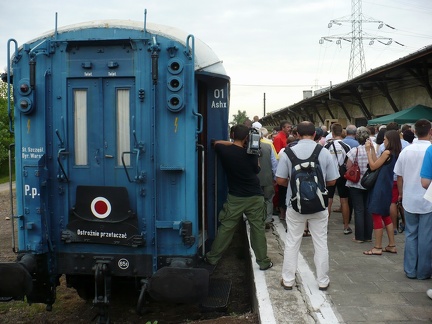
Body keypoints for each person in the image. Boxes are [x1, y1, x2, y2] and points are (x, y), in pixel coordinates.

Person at [276, 121, 338, 291]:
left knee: (292, 242)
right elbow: (332, 180)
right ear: (315, 135)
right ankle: (323, 281)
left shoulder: (288, 153)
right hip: (319, 205)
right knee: (320, 242)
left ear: (296, 134)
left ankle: (288, 280)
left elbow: (280, 180)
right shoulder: (324, 152)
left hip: (295, 205)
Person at [205, 124, 273, 270]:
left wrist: (234, 142)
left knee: (226, 228)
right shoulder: (253, 153)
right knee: (257, 229)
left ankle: (212, 258)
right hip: (255, 196)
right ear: (247, 138)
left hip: (236, 197)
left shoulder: (225, 151)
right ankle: (263, 262)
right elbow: (257, 170)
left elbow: (215, 142)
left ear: (232, 134)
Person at [395, 119, 432, 279]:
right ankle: (423, 272)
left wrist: (401, 193)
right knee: (426, 236)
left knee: (410, 234)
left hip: (409, 197)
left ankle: (410, 270)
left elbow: (399, 176)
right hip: (428, 199)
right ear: (430, 132)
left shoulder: (406, 151)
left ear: (415, 132)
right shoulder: (430, 150)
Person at [363, 130, 401, 255]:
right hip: (387, 186)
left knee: (376, 215)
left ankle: (377, 247)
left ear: (390, 140)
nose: (383, 141)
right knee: (385, 215)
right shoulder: (394, 153)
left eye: (385, 139)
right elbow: (377, 163)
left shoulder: (387, 152)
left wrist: (368, 151)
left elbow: (373, 166)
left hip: (379, 187)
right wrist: (373, 150)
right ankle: (391, 244)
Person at [378, 122, 410, 235]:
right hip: (403, 177)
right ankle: (406, 224)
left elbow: (378, 163)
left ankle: (394, 227)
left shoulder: (383, 147)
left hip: (389, 177)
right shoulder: (406, 144)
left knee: (392, 202)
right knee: (402, 202)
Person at [345, 127, 373, 243]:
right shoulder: (373, 150)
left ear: (357, 137)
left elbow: (348, 166)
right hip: (370, 183)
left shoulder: (354, 151)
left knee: (358, 209)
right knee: (368, 209)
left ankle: (359, 236)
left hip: (356, 183)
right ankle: (368, 236)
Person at [324, 123, 352, 234]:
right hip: (343, 175)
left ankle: (325, 227)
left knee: (329, 201)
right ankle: (346, 226)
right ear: (342, 132)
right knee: (344, 200)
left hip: (329, 175)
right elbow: (349, 162)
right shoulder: (346, 146)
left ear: (332, 132)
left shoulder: (326, 146)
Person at [258, 130, 278, 227]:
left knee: (256, 200)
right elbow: (274, 164)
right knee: (268, 199)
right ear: (262, 137)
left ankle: (258, 219)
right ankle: (267, 219)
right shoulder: (269, 146)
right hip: (267, 178)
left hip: (253, 180)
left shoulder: (246, 147)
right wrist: (275, 178)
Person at [273, 120, 292, 221]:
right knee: (282, 191)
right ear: (283, 128)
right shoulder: (278, 138)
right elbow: (277, 155)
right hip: (282, 166)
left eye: (290, 127)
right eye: (288, 127)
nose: (289, 129)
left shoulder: (285, 137)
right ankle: (280, 210)